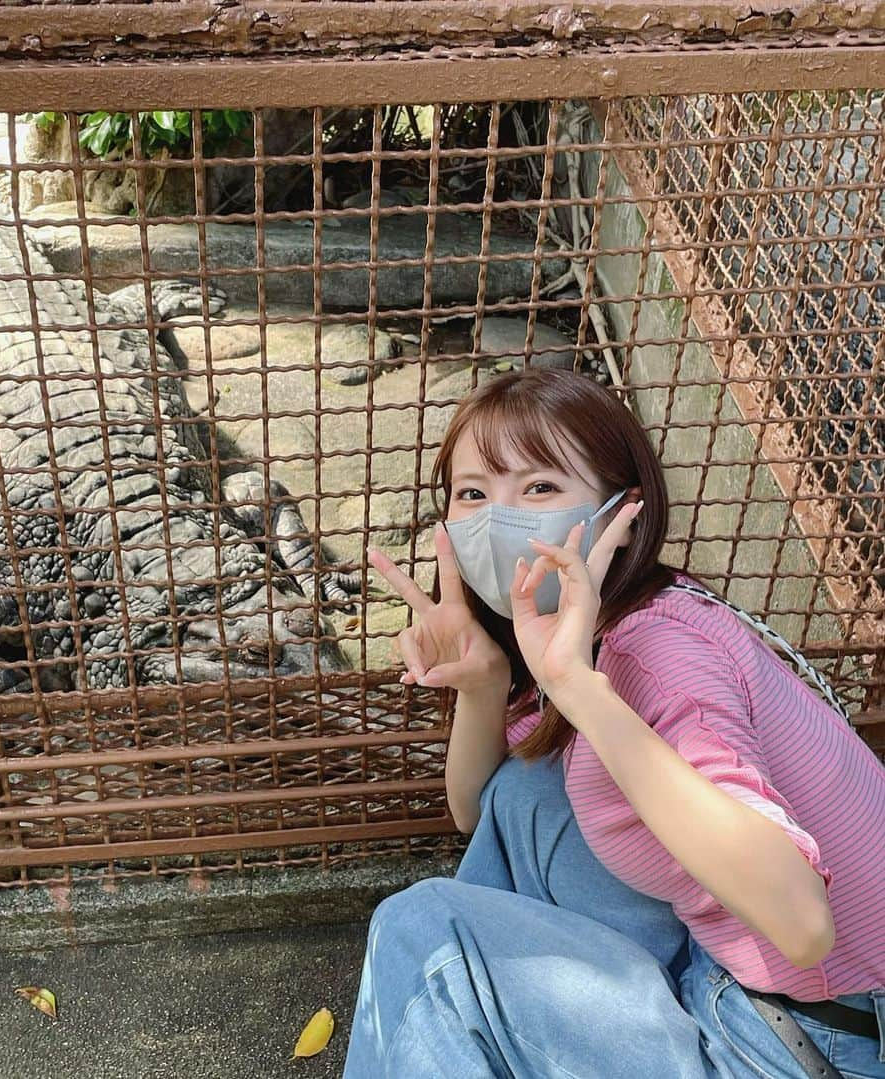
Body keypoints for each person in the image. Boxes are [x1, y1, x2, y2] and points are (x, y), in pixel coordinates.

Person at [342, 368, 885, 1078]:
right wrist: (487, 683)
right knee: (529, 788)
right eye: (474, 493)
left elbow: (804, 923)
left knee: (423, 936)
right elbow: (481, 812)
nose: (498, 517)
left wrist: (577, 686)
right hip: (753, 977)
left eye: (538, 487)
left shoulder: (658, 651)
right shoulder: (605, 615)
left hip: (799, 1040)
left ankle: (481, 1027)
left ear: (621, 512)